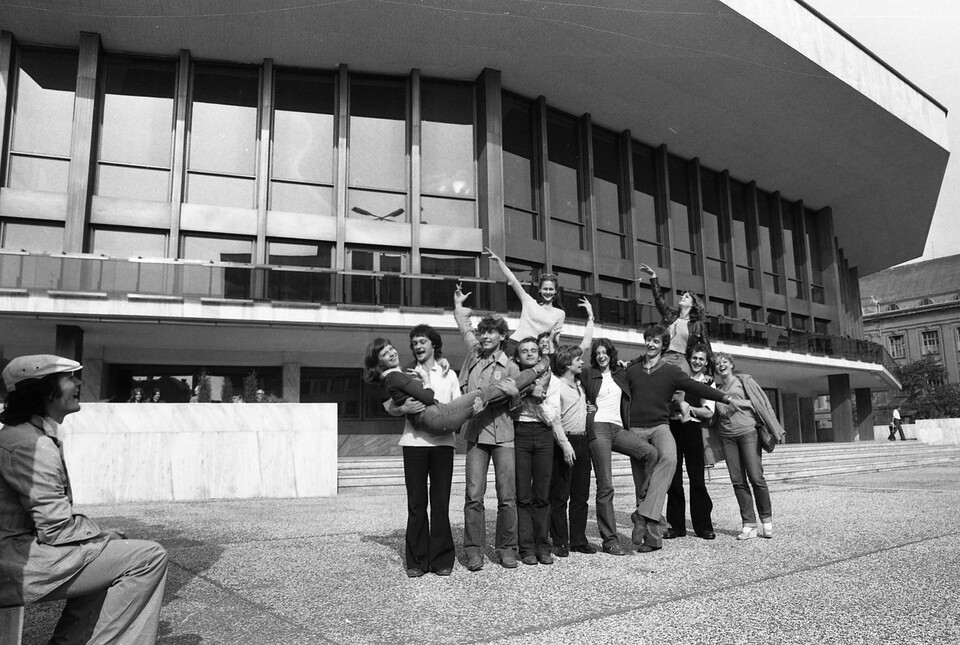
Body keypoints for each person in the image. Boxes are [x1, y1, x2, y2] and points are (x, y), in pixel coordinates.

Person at [0, 354, 168, 644]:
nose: (78, 382)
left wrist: (101, 539)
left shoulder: (24, 435)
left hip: (16, 554)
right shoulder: (31, 444)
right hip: (15, 564)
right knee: (148, 557)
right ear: (43, 389)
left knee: (106, 549)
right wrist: (101, 536)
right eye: (68, 377)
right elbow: (56, 530)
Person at [623, 324, 748, 552]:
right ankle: (652, 537)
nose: (651, 344)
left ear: (663, 346)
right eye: (648, 340)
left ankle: (643, 515)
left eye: (656, 341)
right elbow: (608, 384)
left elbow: (697, 388)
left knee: (669, 460)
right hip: (636, 430)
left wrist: (726, 398)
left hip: (661, 427)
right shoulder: (632, 371)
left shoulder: (671, 371)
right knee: (643, 483)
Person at [382, 325, 462, 578]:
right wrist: (400, 409)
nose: (417, 346)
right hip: (414, 444)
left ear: (433, 345)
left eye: (422, 341)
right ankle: (416, 561)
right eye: (414, 342)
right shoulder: (405, 372)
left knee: (440, 503)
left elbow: (458, 405)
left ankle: (441, 559)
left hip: (443, 445)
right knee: (416, 504)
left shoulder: (448, 373)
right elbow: (388, 406)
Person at [453, 284, 521, 570]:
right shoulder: (474, 356)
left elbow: (517, 410)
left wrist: (515, 396)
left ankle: (506, 548)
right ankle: (473, 550)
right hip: (476, 436)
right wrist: (459, 308)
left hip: (504, 435)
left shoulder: (512, 366)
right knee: (473, 496)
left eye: (491, 332)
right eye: (483, 332)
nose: (485, 336)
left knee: (507, 497)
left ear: (502, 336)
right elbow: (466, 330)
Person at [364, 335, 548, 435]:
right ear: (378, 363)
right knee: (484, 393)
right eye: (384, 353)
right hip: (434, 418)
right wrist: (405, 405)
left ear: (433, 346)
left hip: (435, 423)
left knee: (489, 398)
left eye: (391, 348)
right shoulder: (398, 375)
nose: (391, 353)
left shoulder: (403, 373)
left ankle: (529, 387)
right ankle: (538, 369)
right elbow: (424, 398)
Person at [579, 338, 656, 555]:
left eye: (605, 352)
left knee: (651, 453)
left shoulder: (620, 373)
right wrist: (583, 406)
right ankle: (610, 540)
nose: (601, 356)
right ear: (594, 356)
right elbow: (568, 378)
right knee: (606, 485)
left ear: (611, 354)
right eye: (598, 353)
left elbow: (644, 358)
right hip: (598, 427)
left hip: (618, 428)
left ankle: (642, 510)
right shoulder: (588, 373)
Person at [712, 352, 784, 540]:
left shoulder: (743, 381)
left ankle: (766, 520)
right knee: (737, 480)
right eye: (718, 363)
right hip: (727, 436)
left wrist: (736, 402)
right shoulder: (718, 388)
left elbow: (757, 402)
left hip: (748, 433)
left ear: (731, 365)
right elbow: (719, 413)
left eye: (724, 362)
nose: (721, 365)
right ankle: (749, 524)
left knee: (755, 476)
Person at [510, 337, 568, 566]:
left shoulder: (552, 381)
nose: (530, 354)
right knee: (523, 495)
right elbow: (512, 411)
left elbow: (552, 416)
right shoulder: (514, 379)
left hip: (544, 435)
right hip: (520, 433)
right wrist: (525, 391)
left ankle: (543, 546)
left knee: (542, 494)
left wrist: (536, 399)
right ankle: (526, 548)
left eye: (533, 350)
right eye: (524, 351)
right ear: (518, 357)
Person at [664, 344, 717, 540]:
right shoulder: (678, 377)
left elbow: (709, 411)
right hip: (674, 427)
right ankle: (676, 526)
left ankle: (703, 526)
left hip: (693, 429)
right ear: (689, 359)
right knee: (674, 478)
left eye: (701, 359)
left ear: (705, 362)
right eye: (694, 358)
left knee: (697, 479)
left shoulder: (707, 382)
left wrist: (688, 409)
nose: (697, 362)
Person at [485, 247, 565, 356]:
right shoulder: (529, 302)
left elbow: (555, 339)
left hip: (533, 351)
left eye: (551, 289)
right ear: (540, 290)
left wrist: (553, 357)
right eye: (545, 289)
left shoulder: (559, 314)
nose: (548, 292)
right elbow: (513, 281)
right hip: (514, 345)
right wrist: (500, 262)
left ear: (556, 291)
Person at [637, 263, 710, 374]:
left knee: (682, 384)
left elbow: (707, 349)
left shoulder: (698, 325)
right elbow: (659, 299)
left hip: (682, 359)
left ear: (693, 304)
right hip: (665, 356)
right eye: (682, 296)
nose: (682, 297)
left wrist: (709, 373)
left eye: (686, 297)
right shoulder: (670, 316)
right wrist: (653, 276)